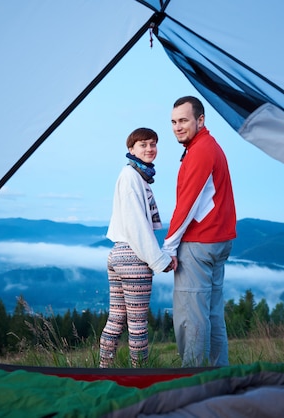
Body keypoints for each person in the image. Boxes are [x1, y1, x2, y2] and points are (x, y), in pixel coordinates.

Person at [162, 96, 237, 367]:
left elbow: (187, 204)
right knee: (212, 314)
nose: (177, 127)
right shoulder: (209, 146)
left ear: (200, 120)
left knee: (190, 316)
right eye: (173, 122)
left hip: (199, 243)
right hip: (219, 240)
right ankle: (219, 376)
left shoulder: (201, 151)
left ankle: (191, 380)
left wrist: (168, 248)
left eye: (183, 120)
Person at [99, 127, 174, 368]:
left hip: (118, 253)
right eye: (143, 144)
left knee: (117, 318)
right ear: (131, 149)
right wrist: (159, 260)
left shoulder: (137, 176)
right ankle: (139, 375)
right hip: (132, 257)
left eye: (153, 144)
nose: (150, 149)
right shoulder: (131, 177)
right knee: (138, 325)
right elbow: (137, 225)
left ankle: (103, 370)